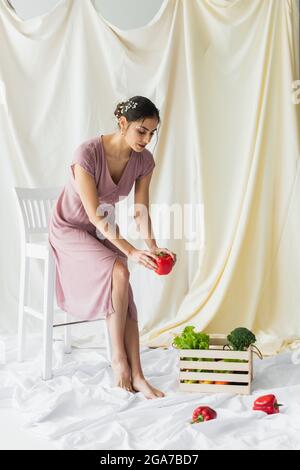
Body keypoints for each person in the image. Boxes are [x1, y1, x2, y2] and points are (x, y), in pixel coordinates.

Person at [49, 95, 177, 399]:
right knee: (120, 267)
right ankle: (119, 362)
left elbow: (140, 208)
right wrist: (131, 251)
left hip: (102, 231)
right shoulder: (88, 153)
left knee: (124, 282)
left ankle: (138, 374)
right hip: (69, 228)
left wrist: (153, 246)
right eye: (141, 131)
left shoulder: (144, 161)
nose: (147, 139)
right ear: (122, 124)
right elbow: (93, 213)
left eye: (152, 133)